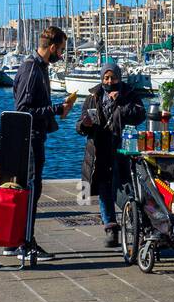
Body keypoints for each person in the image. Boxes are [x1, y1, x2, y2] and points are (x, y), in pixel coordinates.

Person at [9, 25, 77, 260]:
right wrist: (57, 108)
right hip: (30, 139)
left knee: (25, 191)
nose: (61, 55)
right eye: (60, 50)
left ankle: (14, 240)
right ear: (51, 47)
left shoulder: (38, 68)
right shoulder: (32, 69)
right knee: (31, 190)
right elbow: (23, 109)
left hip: (33, 137)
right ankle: (25, 243)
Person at [76, 62, 146, 247]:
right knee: (103, 187)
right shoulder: (93, 96)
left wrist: (119, 104)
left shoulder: (129, 93)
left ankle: (135, 221)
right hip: (99, 149)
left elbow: (140, 115)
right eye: (106, 78)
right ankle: (111, 228)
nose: (109, 81)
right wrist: (85, 124)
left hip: (123, 148)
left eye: (113, 77)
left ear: (119, 77)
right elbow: (79, 125)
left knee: (125, 187)